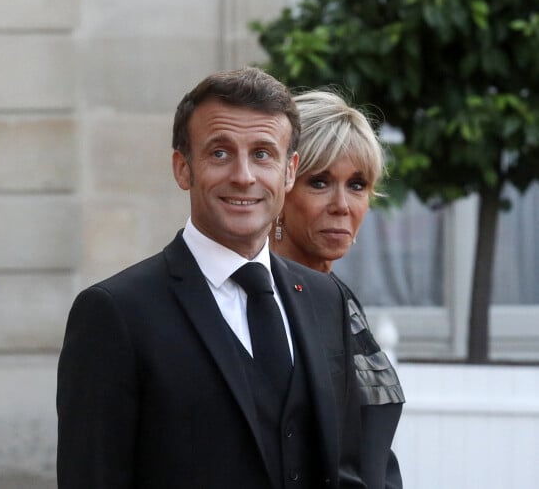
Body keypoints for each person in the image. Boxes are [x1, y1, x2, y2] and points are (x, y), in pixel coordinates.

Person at [57, 68, 366, 489]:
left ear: (289, 171)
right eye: (220, 153)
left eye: (262, 154)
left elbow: (348, 470)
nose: (243, 176)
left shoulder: (326, 298)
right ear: (183, 168)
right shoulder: (116, 313)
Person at [270, 90, 405, 489]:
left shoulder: (339, 298)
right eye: (320, 182)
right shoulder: (262, 301)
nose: (342, 205)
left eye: (357, 184)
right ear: (281, 188)